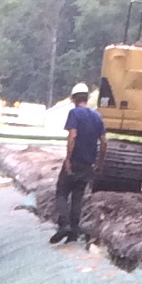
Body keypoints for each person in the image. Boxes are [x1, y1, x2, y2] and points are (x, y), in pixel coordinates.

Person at [53, 83, 106, 242]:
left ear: (74, 99)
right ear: (87, 98)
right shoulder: (97, 116)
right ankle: (74, 230)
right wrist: (100, 163)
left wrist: (68, 159)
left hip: (75, 161)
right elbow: (104, 142)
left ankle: (64, 225)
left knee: (62, 191)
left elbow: (72, 136)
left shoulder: (74, 113)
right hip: (88, 164)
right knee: (78, 195)